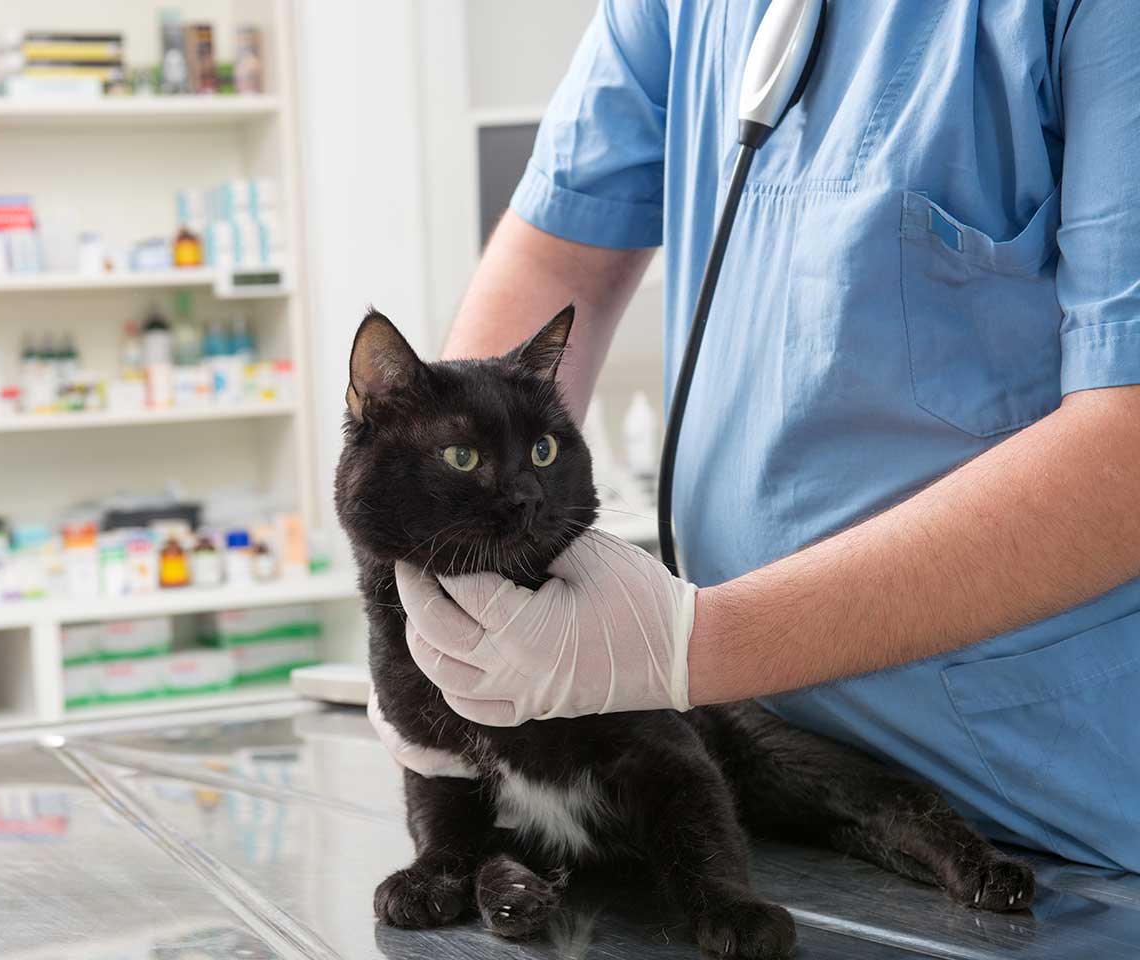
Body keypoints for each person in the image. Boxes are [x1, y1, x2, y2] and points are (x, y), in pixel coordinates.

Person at [376, 0, 1140, 873]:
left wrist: (692, 646)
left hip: (1050, 817)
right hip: (757, 774)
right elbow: (560, 256)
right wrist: (439, 596)